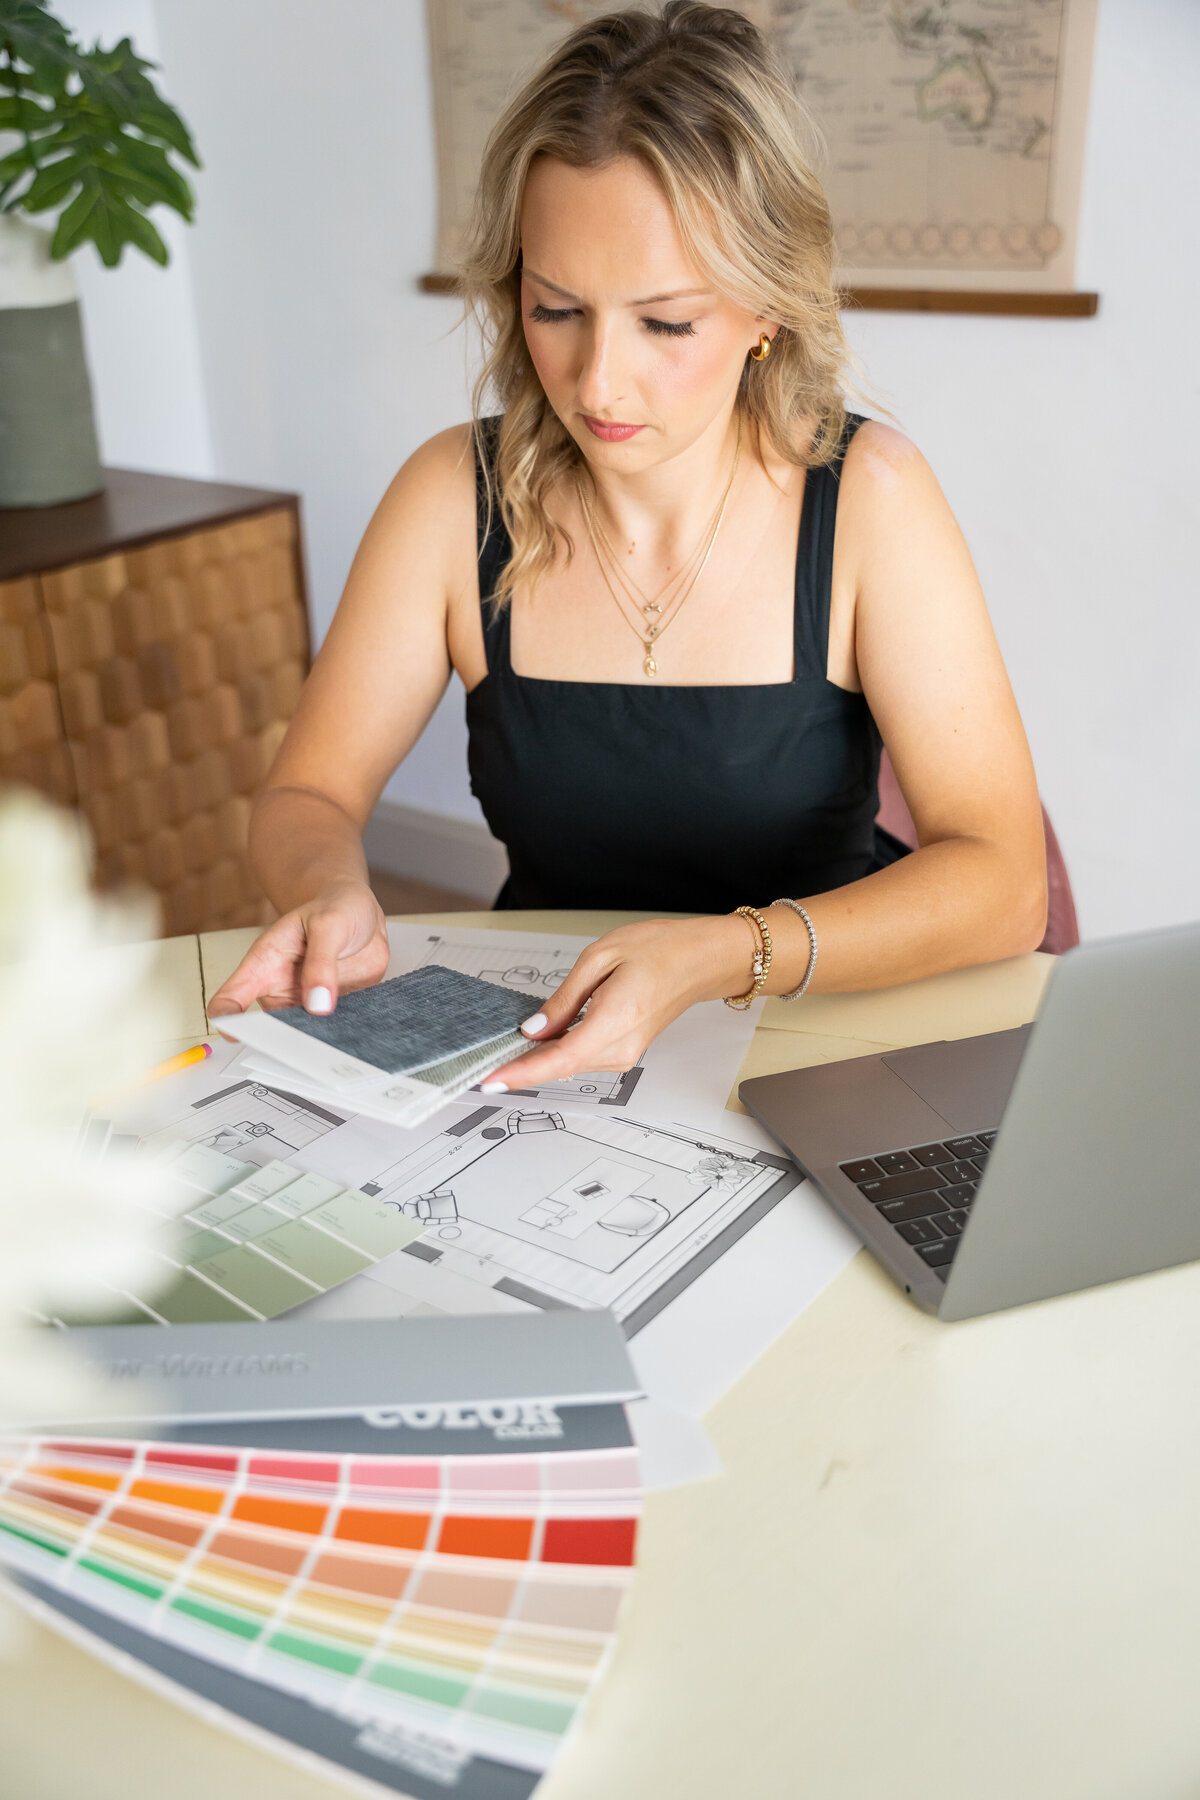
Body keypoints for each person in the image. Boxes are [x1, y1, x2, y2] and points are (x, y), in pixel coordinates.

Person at [208, 1, 1047, 1095]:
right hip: (548, 1035)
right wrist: (329, 887)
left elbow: (1004, 885)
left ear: (768, 308)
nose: (598, 383)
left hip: (816, 1029)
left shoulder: (869, 498)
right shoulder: (449, 496)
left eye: (666, 323)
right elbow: (308, 794)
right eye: (557, 309)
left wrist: (718, 956)